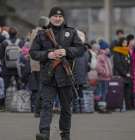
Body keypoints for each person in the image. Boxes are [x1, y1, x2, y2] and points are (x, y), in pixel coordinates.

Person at [30, 7, 85, 140]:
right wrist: (48, 54)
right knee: (46, 106)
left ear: (63, 18)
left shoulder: (71, 32)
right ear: (50, 18)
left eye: (60, 16)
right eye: (55, 16)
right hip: (48, 76)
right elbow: (33, 53)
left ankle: (65, 135)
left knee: (66, 108)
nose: (57, 18)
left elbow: (80, 49)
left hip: (66, 76)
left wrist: (66, 51)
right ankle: (44, 134)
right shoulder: (42, 34)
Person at [29, 16, 49, 117]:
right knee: (42, 88)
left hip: (34, 64)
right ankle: (38, 110)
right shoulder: (42, 33)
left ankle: (37, 110)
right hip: (40, 64)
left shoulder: (33, 32)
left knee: (38, 88)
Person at [112, 37, 134, 110]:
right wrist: (125, 73)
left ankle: (128, 106)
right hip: (120, 75)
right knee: (120, 92)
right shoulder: (117, 51)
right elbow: (118, 64)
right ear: (120, 43)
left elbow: (130, 63)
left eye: (126, 43)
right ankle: (119, 105)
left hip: (128, 74)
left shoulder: (127, 51)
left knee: (128, 91)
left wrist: (130, 72)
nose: (125, 44)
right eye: (124, 43)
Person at [95, 40, 112, 113]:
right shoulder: (100, 57)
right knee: (101, 92)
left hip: (107, 78)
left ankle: (103, 106)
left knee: (105, 92)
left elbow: (109, 67)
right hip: (102, 78)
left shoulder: (107, 57)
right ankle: (101, 107)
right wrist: (105, 73)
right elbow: (98, 67)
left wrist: (110, 74)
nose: (109, 49)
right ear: (104, 49)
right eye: (107, 48)